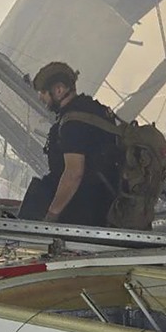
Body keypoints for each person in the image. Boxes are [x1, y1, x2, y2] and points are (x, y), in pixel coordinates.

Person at [18, 62, 119, 226]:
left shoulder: (73, 123)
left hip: (85, 211)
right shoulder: (94, 111)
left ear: (58, 90)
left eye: (43, 92)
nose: (40, 98)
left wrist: (51, 216)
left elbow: (73, 173)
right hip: (105, 204)